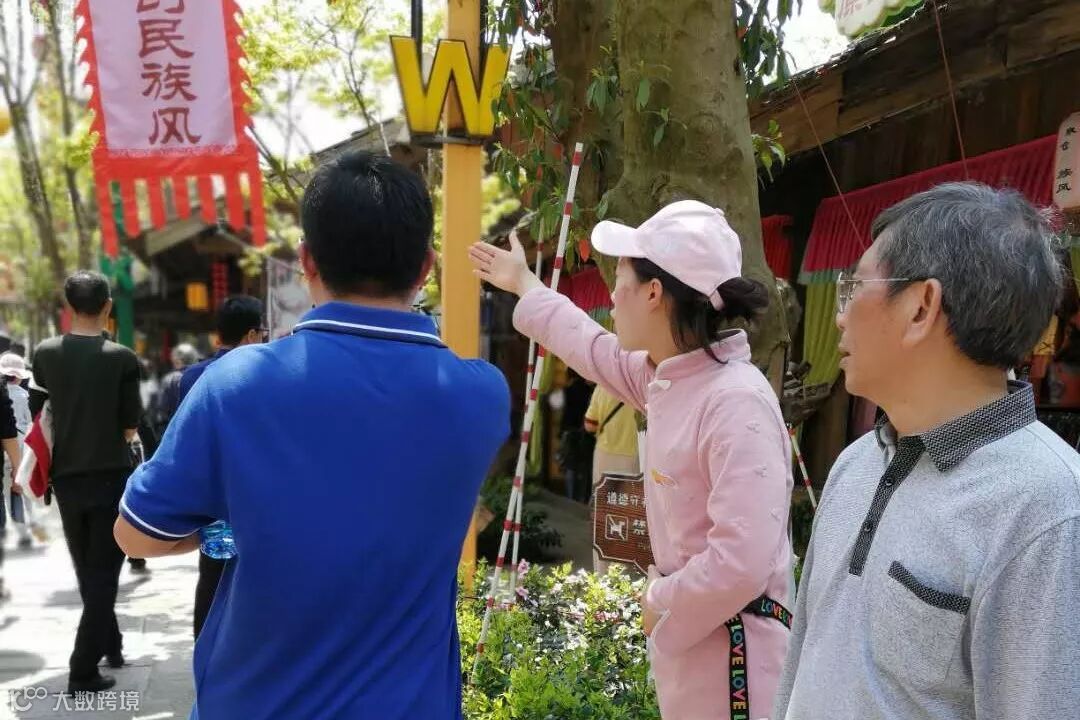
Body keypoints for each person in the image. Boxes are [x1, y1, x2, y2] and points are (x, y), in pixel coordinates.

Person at [114, 151, 509, 719]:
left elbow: (136, 535)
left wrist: (229, 528)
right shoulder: (483, 394)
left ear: (306, 260)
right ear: (426, 267)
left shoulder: (236, 384)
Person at [470, 199, 794, 720]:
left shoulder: (735, 400)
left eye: (619, 280)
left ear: (653, 293)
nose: (611, 297)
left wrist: (659, 600)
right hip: (700, 646)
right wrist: (524, 284)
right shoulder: (673, 376)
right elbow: (590, 345)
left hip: (738, 662)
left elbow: (742, 561)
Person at [773, 183, 1080, 720]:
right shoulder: (856, 463)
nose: (840, 317)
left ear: (921, 307)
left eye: (854, 287)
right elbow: (803, 660)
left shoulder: (1048, 511)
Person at [30, 271, 142, 694]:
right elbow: (130, 426)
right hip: (111, 476)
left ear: (68, 306)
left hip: (65, 479)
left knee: (88, 571)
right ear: (107, 307)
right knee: (104, 574)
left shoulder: (45, 354)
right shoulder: (122, 358)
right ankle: (82, 669)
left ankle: (111, 644)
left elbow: (39, 415)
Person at [177, 295, 265, 640]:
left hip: (211, 493)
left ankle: (205, 647)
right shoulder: (264, 373)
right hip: (257, 492)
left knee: (212, 574)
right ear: (250, 334)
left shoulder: (191, 377)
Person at [584, 383, 639, 573]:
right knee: (626, 512)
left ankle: (601, 571)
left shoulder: (602, 387)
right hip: (633, 456)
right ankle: (621, 570)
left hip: (605, 454)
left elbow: (590, 424)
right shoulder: (638, 384)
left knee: (603, 511)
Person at [0, 353, 44, 549]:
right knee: (23, 488)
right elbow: (33, 423)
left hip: (4, 451)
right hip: (22, 450)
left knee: (8, 491)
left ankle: (20, 530)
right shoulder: (25, 396)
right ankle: (32, 522)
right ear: (18, 377)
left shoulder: (2, 394)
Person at [556, 368, 594, 502]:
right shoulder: (590, 391)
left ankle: (570, 496)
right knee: (586, 466)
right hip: (586, 432)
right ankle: (584, 496)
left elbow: (555, 405)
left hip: (569, 432)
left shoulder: (566, 390)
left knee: (570, 465)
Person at [153, 343, 198, 435]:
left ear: (176, 360)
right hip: (196, 426)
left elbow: (162, 407)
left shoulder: (169, 379)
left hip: (173, 428)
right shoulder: (201, 375)